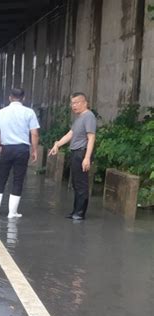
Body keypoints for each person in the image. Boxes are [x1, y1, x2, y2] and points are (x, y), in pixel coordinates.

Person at [0, 88, 40, 218]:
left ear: (10, 97)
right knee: (18, 179)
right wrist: (34, 150)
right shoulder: (29, 112)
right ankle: (12, 212)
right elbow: (34, 133)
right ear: (23, 98)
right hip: (22, 149)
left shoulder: (2, 112)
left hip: (7, 148)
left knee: (1, 177)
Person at [49, 92, 96, 220]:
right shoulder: (79, 118)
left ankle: (80, 213)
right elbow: (70, 134)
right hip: (76, 152)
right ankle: (76, 210)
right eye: (72, 103)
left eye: (77, 102)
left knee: (81, 184)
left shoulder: (89, 116)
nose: (73, 106)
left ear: (85, 103)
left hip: (82, 152)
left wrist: (87, 157)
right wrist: (57, 144)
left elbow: (91, 138)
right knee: (76, 183)